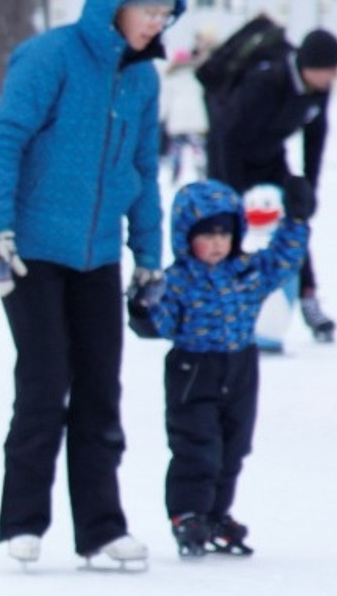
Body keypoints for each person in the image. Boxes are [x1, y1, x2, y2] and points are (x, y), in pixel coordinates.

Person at [0, 0, 186, 569]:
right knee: (45, 381)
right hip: (32, 251)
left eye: (167, 12)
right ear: (116, 3)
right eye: (148, 8)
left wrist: (148, 255)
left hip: (97, 255)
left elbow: (142, 170)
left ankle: (99, 529)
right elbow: (6, 141)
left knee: (100, 389)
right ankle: (22, 521)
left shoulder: (143, 80)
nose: (158, 21)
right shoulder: (50, 59)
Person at [127, 177, 309, 558]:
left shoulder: (246, 270)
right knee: (198, 446)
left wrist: (297, 220)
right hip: (193, 369)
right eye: (206, 235)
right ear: (185, 237)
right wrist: (142, 307)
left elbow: (283, 260)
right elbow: (158, 323)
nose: (216, 243)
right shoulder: (177, 280)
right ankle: (188, 514)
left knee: (234, 445)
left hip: (240, 366)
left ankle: (216, 512)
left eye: (224, 234)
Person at [205, 27, 337, 341]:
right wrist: (230, 195)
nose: (335, 75)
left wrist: (308, 188)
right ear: (310, 66)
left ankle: (308, 297)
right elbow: (228, 136)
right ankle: (216, 302)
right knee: (224, 229)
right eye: (330, 68)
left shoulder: (318, 89)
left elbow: (316, 136)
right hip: (230, 158)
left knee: (295, 222)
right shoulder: (266, 83)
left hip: (270, 158)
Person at [158, 44, 211, 184]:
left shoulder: (172, 79)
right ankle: (203, 174)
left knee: (176, 152)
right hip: (196, 121)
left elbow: (165, 102)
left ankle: (174, 176)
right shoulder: (196, 77)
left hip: (178, 122)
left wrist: (161, 118)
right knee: (198, 151)